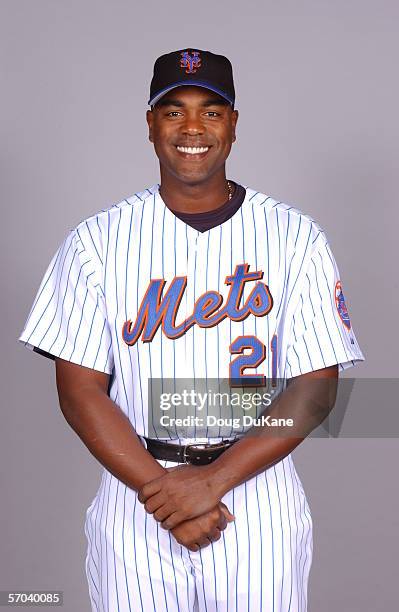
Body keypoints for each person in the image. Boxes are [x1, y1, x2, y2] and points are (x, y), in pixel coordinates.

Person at [18, 48, 365, 611]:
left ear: (232, 124)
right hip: (136, 492)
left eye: (211, 109)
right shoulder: (96, 241)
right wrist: (163, 493)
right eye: (173, 110)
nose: (193, 127)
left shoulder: (296, 236)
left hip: (257, 495)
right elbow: (79, 390)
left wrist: (212, 482)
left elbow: (315, 388)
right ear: (151, 124)